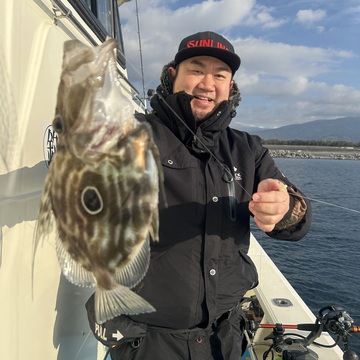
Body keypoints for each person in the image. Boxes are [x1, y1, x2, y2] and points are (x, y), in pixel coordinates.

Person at [86, 31, 312, 359]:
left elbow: (299, 217)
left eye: (220, 75)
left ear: (230, 87)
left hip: (227, 337)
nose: (208, 83)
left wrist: (285, 207)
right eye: (196, 70)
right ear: (173, 75)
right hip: (146, 340)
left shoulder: (248, 149)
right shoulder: (130, 134)